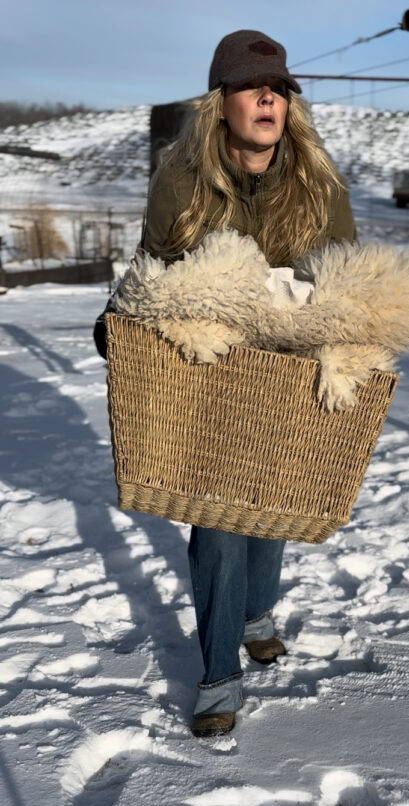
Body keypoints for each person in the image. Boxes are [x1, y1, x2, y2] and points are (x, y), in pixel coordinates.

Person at [133, 30, 357, 738]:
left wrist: (267, 297)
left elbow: (345, 277)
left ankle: (259, 611)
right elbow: (155, 272)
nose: (268, 98)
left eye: (279, 89)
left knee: (275, 502)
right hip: (210, 371)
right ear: (219, 102)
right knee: (219, 519)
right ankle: (219, 675)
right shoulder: (180, 180)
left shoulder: (319, 182)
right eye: (250, 87)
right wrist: (125, 321)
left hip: (291, 362)